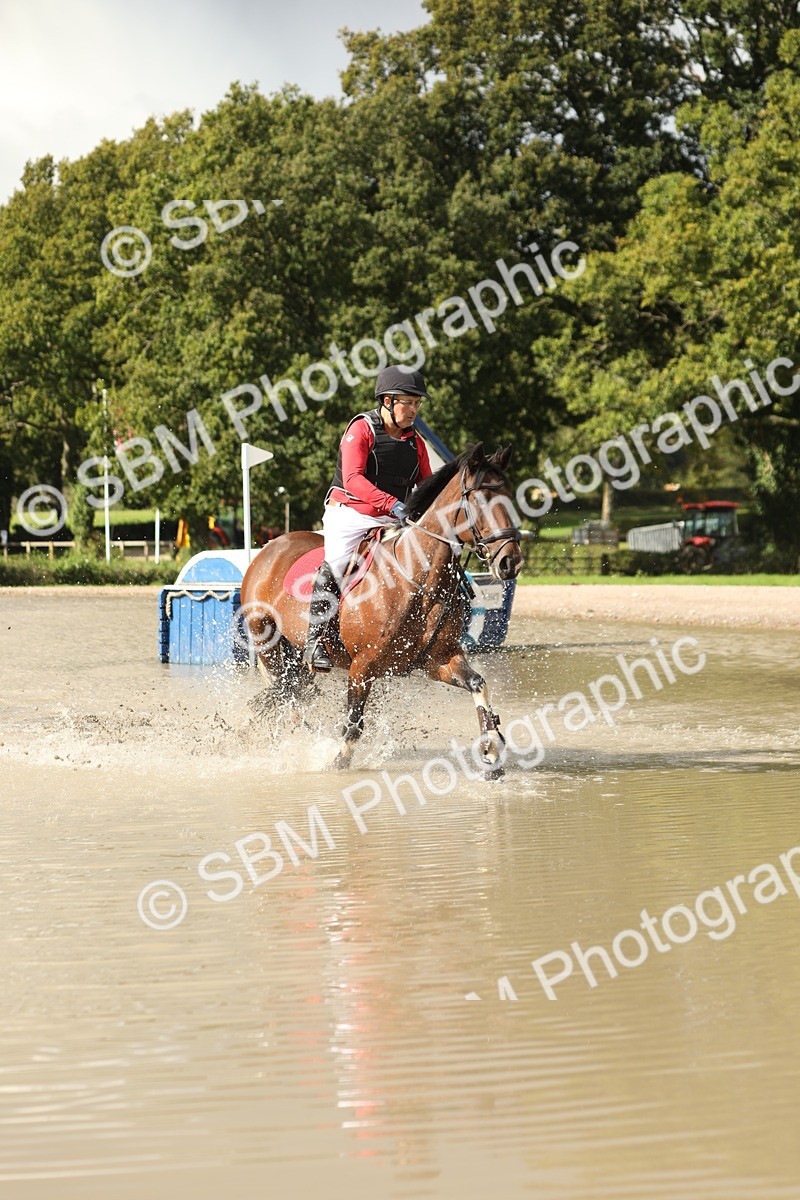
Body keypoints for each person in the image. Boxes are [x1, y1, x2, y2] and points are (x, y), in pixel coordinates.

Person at [303, 365, 433, 671]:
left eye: (417, 403)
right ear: (387, 400)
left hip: (390, 519)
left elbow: (427, 486)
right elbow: (353, 480)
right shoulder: (361, 429)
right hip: (350, 513)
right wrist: (393, 504)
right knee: (336, 564)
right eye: (408, 402)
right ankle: (315, 641)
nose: (414, 409)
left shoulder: (417, 443)